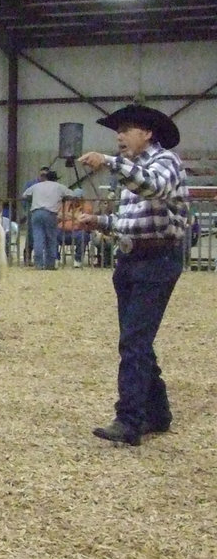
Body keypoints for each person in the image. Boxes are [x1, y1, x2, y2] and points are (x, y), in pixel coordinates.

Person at [77, 105, 188, 446]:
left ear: (148, 133)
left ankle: (129, 419)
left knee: (134, 341)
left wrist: (110, 161)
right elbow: (131, 223)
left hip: (157, 261)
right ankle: (158, 413)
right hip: (131, 260)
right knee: (137, 340)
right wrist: (98, 222)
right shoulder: (132, 174)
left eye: (126, 130)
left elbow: (153, 188)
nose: (119, 137)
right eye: (118, 131)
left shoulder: (165, 164)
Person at [22, 169, 78, 269]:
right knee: (51, 238)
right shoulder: (59, 187)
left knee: (38, 238)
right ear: (56, 179)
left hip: (36, 212)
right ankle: (50, 264)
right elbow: (72, 195)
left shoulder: (36, 186)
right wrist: (63, 199)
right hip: (50, 213)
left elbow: (25, 195)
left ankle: (38, 263)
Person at [58, 196, 94, 268]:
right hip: (63, 231)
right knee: (52, 234)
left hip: (79, 231)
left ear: (81, 199)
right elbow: (59, 216)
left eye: (76, 199)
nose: (74, 201)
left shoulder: (87, 206)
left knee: (83, 236)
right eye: (72, 199)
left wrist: (67, 216)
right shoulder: (65, 205)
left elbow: (82, 218)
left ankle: (78, 260)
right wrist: (75, 216)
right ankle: (55, 259)